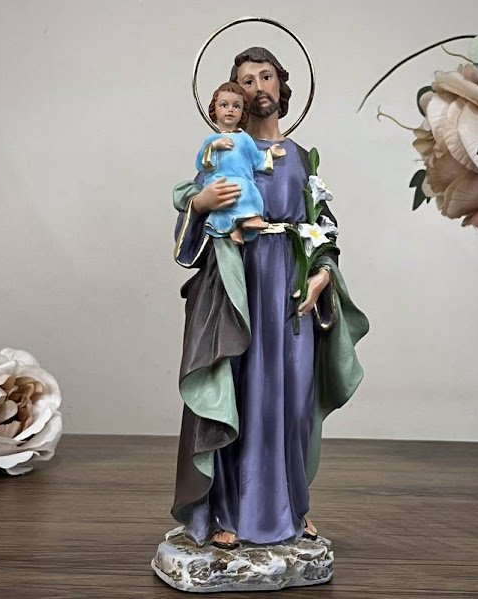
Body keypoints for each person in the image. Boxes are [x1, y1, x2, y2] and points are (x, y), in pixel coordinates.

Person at [172, 46, 369, 550]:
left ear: (281, 85)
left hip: (290, 294)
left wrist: (322, 273)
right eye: (246, 80)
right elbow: (194, 218)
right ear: (233, 95)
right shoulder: (224, 150)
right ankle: (226, 512)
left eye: (266, 76)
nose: (258, 87)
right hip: (238, 291)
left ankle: (291, 506)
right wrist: (200, 203)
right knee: (237, 397)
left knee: (293, 399)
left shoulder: (301, 158)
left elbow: (324, 227)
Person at [198, 81, 285, 245]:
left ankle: (246, 223)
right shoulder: (212, 139)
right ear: (215, 109)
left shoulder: (245, 138)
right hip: (220, 180)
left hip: (243, 179)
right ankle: (233, 228)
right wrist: (214, 146)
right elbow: (201, 163)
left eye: (236, 106)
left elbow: (256, 158)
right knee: (229, 197)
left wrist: (271, 153)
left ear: (243, 112)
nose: (230, 110)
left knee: (249, 190)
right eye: (224, 105)